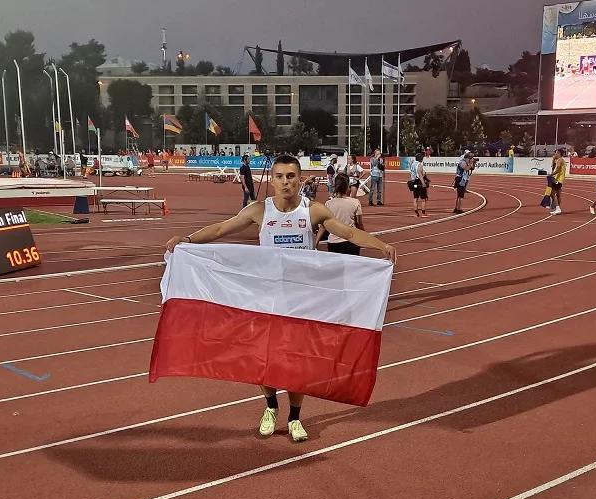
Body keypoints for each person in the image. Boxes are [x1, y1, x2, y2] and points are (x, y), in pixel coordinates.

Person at [164, 155, 396, 443]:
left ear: (300, 180)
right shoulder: (260, 210)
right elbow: (222, 228)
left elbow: (348, 232)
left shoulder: (313, 212)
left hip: (301, 301)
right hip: (267, 300)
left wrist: (381, 245)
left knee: (297, 363)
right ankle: (271, 407)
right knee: (264, 359)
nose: (285, 182)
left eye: (290, 176)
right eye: (280, 176)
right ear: (272, 180)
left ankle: (295, 417)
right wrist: (187, 240)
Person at [318, 173, 365, 255]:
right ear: (347, 187)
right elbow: (359, 224)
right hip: (351, 241)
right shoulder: (355, 202)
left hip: (333, 243)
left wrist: (316, 242)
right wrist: (365, 237)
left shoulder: (328, 203)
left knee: (336, 267)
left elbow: (323, 226)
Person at [408, 151, 429, 217]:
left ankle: (416, 213)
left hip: (414, 183)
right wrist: (423, 183)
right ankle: (423, 213)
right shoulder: (419, 165)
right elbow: (420, 174)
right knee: (423, 199)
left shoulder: (413, 164)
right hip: (419, 182)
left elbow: (411, 172)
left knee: (415, 198)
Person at [549, 148, 567, 215]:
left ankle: (558, 208)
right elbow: (553, 168)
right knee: (558, 195)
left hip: (557, 180)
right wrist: (553, 159)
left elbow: (558, 170)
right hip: (559, 180)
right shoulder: (559, 160)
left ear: (559, 154)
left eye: (556, 153)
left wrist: (551, 175)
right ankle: (557, 208)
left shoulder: (560, 160)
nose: (555, 154)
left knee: (552, 193)